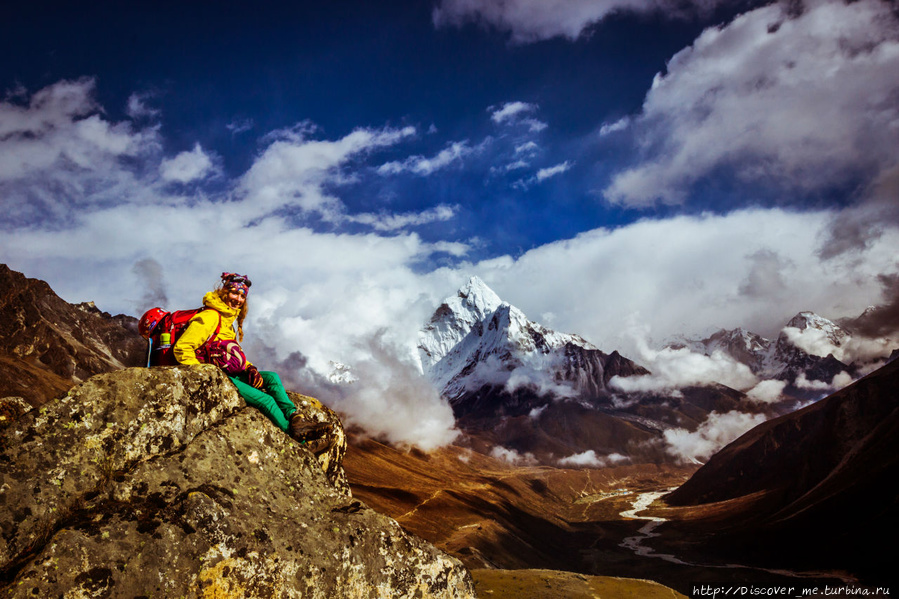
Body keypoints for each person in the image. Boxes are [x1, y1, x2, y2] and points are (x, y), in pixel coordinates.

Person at [173, 272, 330, 452]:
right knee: (266, 399)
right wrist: (207, 375)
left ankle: (296, 419)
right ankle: (302, 444)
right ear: (224, 292)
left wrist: (249, 368)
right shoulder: (210, 317)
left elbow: (232, 353)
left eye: (242, 296)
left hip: (232, 374)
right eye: (234, 293)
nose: (238, 299)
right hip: (220, 378)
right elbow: (182, 347)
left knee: (271, 377)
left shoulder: (227, 322)